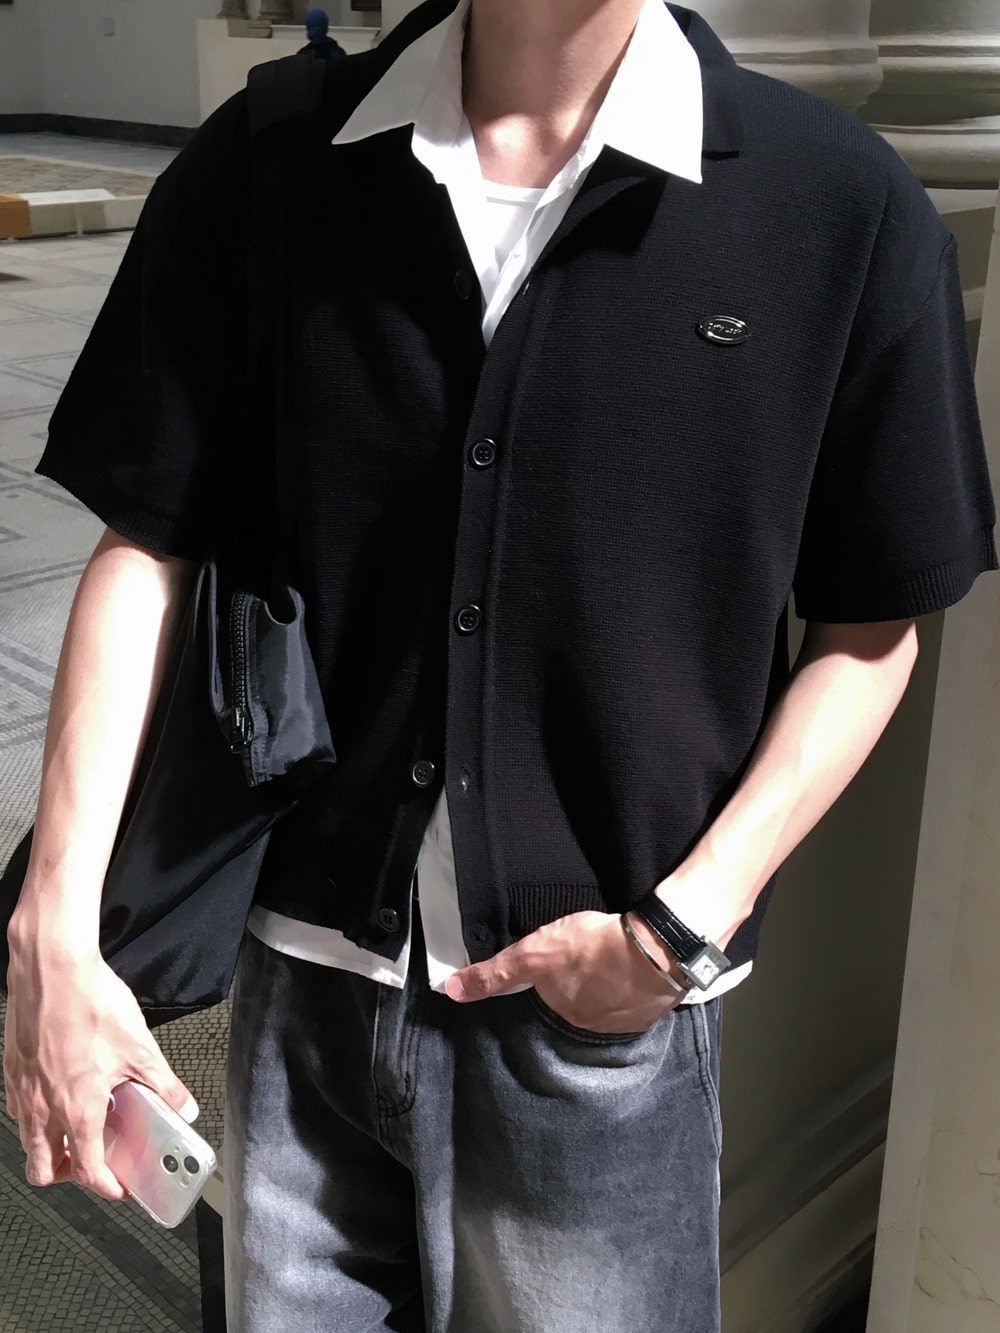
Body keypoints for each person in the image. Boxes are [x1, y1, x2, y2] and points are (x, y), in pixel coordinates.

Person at [4, 1, 997, 1330]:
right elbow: (150, 539)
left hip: (603, 1025)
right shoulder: (272, 161)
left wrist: (679, 927)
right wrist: (54, 926)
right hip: (302, 986)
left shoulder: (838, 208)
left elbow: (873, 627)